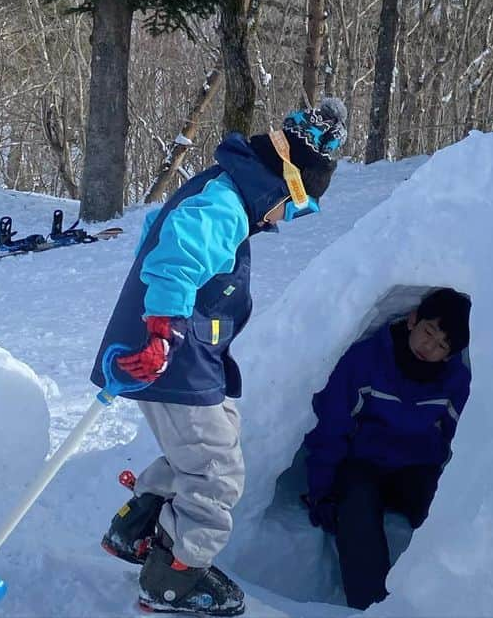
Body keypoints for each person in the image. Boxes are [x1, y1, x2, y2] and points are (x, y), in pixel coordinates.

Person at [93, 98, 347, 617]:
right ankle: (177, 577)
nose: (282, 220)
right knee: (216, 473)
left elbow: (153, 232)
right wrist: (160, 331)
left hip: (188, 361)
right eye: (292, 207)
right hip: (171, 359)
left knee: (211, 448)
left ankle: (138, 527)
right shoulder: (224, 204)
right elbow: (173, 254)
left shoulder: (225, 190)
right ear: (284, 183)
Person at [302, 288, 472, 610]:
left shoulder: (455, 383)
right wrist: (320, 491)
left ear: (450, 355)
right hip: (363, 464)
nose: (429, 347)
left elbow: (467, 441)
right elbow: (331, 428)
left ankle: (452, 603)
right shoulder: (365, 362)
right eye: (428, 332)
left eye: (441, 346)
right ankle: (372, 606)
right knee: (355, 507)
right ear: (412, 320)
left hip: (418, 468)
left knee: (449, 513)